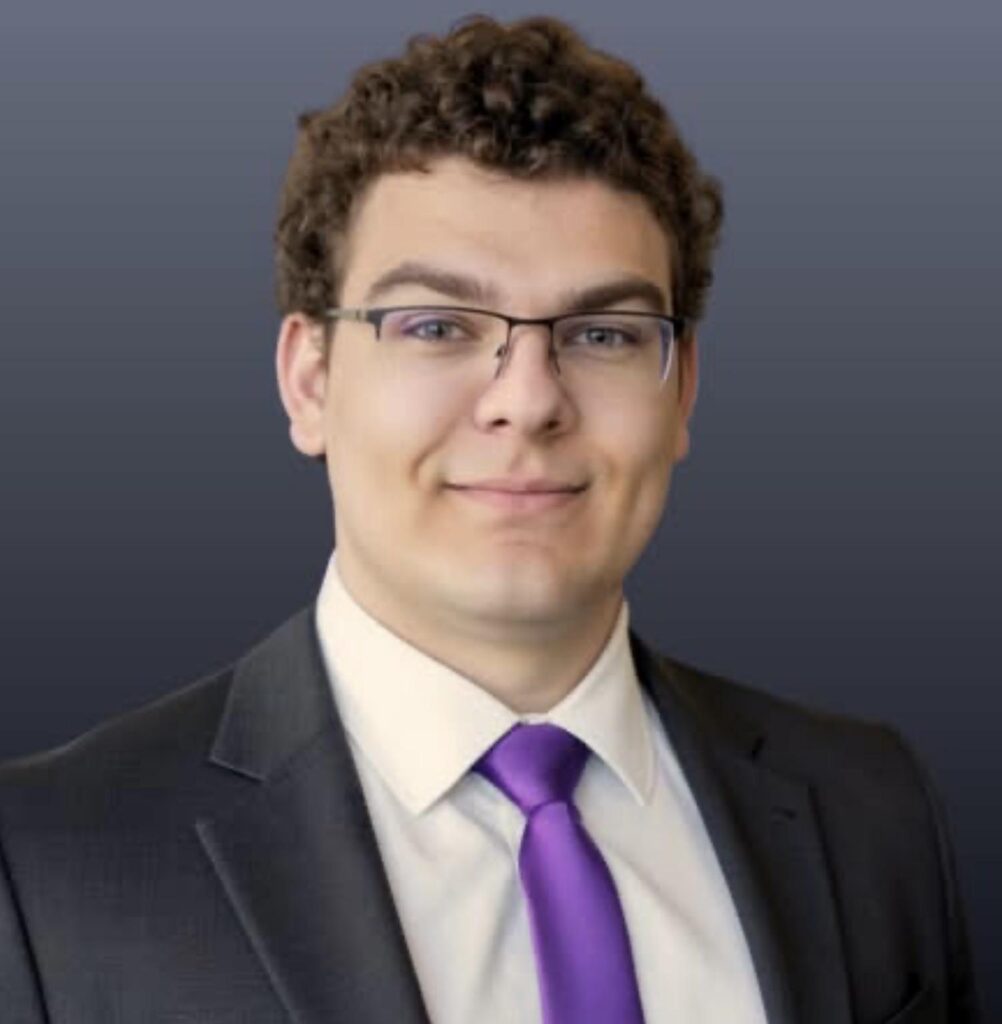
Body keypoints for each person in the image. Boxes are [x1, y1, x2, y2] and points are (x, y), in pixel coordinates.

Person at [0, 15, 981, 1024]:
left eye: (602, 334)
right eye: (436, 326)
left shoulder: (873, 811)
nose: (528, 400)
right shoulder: (46, 863)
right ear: (309, 380)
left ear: (683, 389)